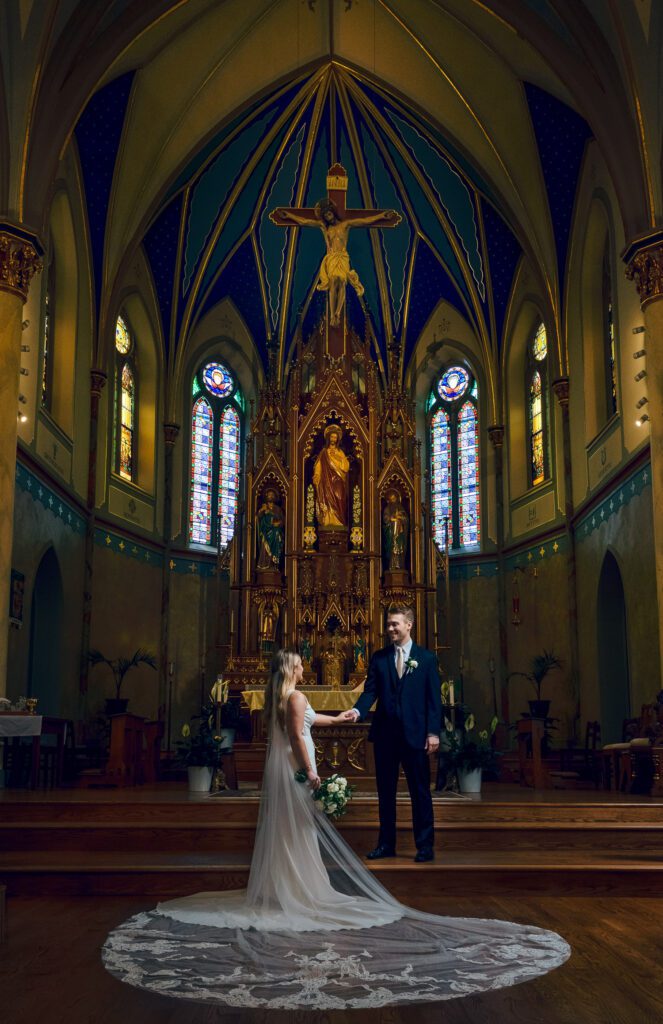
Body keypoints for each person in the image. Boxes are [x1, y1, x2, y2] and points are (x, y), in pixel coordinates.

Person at [103, 649, 570, 1009]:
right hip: (298, 767)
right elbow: (301, 738)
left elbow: (308, 723)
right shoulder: (297, 695)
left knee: (295, 832)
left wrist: (346, 715)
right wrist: (313, 772)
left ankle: (293, 884)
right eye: (301, 662)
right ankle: (301, 889)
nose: (307, 666)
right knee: (298, 832)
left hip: (290, 764)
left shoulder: (290, 697)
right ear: (293, 669)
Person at [347, 605, 440, 862]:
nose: (390, 629)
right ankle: (386, 844)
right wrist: (357, 712)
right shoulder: (379, 658)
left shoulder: (427, 659)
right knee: (385, 792)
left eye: (394, 624)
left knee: (420, 792)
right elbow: (370, 692)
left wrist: (433, 733)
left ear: (409, 625)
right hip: (386, 736)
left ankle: (425, 846)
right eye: (388, 624)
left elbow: (434, 700)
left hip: (416, 736)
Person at [277, 198, 400, 326]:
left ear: (333, 212)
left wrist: (381, 216)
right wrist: (289, 215)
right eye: (325, 216)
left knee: (341, 282)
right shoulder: (324, 227)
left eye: (329, 214)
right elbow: (304, 221)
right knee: (334, 280)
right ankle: (331, 314)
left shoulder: (345, 225)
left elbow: (365, 221)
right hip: (332, 257)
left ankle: (337, 313)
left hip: (343, 257)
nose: (328, 217)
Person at [312, 423, 349, 527]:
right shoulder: (324, 452)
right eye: (332, 436)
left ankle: (339, 520)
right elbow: (318, 465)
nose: (334, 439)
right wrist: (317, 475)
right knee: (327, 499)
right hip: (326, 481)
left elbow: (345, 467)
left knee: (339, 499)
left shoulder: (340, 452)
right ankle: (328, 520)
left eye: (335, 437)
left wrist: (337, 457)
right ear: (329, 438)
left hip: (338, 481)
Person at [256, 488, 284, 570]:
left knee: (276, 535)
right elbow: (258, 518)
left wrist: (278, 523)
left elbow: (282, 520)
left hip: (275, 531)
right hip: (265, 531)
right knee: (264, 548)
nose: (271, 496)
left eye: (272, 495)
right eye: (269, 495)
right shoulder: (264, 507)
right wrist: (262, 511)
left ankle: (273, 563)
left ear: (275, 497)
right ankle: (264, 564)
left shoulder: (278, 509)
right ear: (266, 496)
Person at [382, 489, 409, 570]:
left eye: (394, 499)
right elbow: (385, 519)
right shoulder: (387, 508)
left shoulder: (401, 508)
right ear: (389, 500)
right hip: (391, 533)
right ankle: (392, 566)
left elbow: (406, 519)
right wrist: (392, 519)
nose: (393, 501)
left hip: (400, 534)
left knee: (400, 549)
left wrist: (400, 518)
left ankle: (400, 566)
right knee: (392, 549)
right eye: (391, 499)